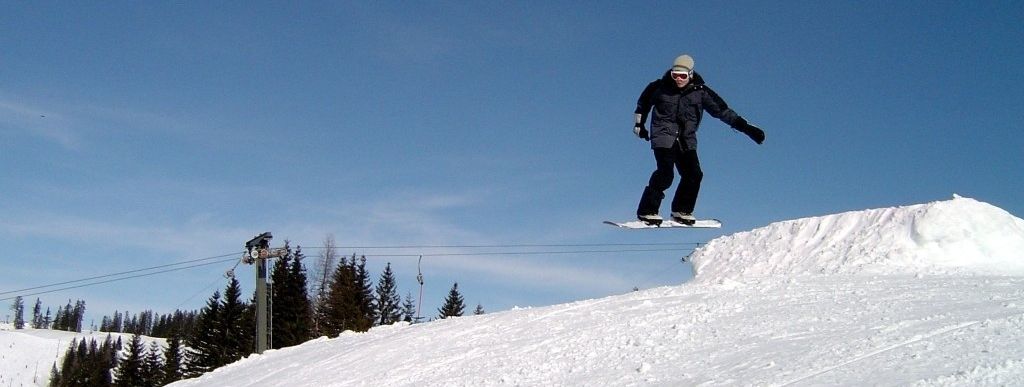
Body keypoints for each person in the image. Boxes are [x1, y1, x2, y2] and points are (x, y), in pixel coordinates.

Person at [633, 54, 765, 225]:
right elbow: (642, 105)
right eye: (675, 75)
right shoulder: (658, 87)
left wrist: (747, 128)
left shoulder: (701, 92)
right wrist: (639, 126)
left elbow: (722, 111)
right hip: (663, 136)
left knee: (694, 174)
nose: (678, 79)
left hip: (686, 139)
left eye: (683, 76)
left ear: (691, 74)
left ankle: (681, 210)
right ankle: (647, 211)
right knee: (665, 174)